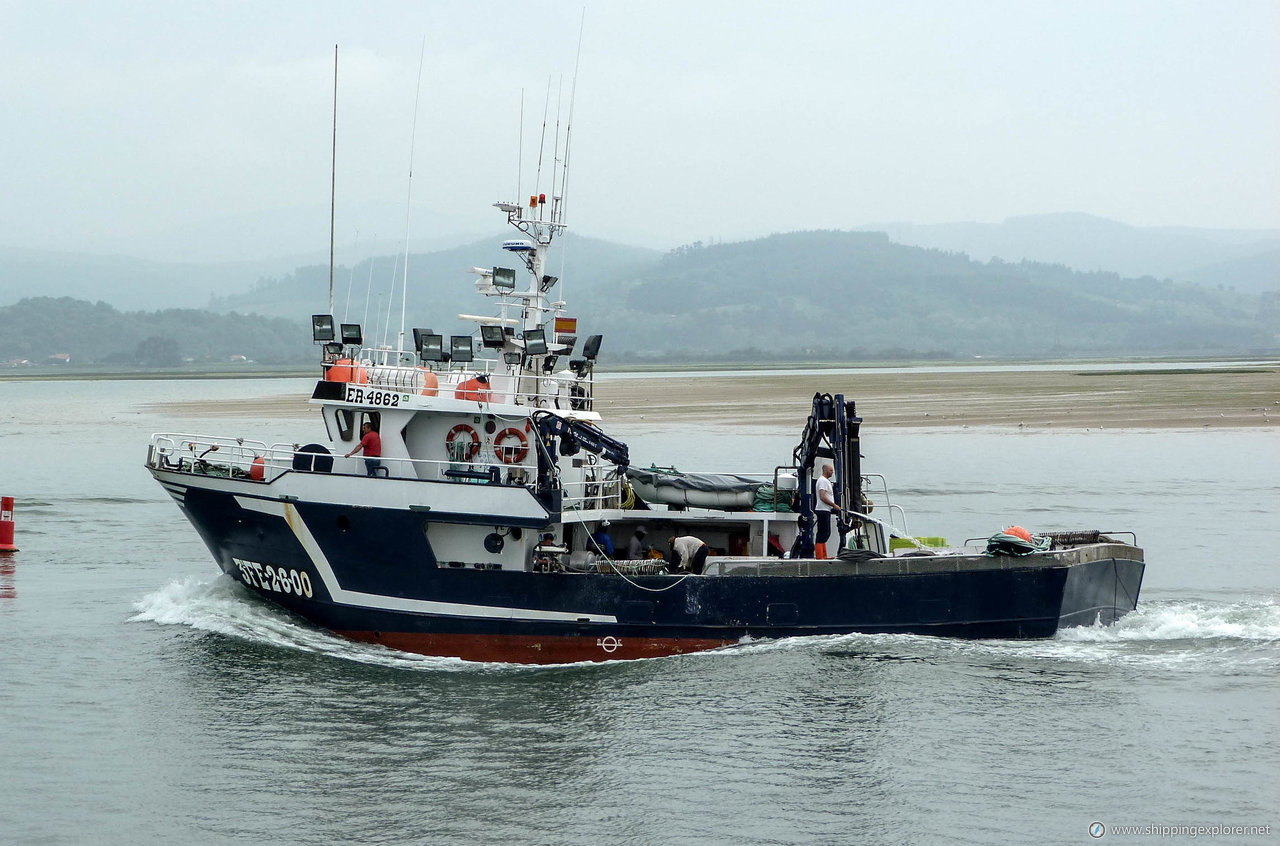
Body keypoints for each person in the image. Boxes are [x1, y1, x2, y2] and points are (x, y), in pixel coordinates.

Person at [814, 463, 841, 559]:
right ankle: (819, 556)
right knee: (823, 533)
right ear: (825, 470)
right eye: (830, 470)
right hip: (822, 509)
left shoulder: (826, 481)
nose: (832, 472)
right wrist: (834, 505)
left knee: (826, 533)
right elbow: (822, 496)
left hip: (826, 510)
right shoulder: (823, 481)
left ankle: (823, 555)